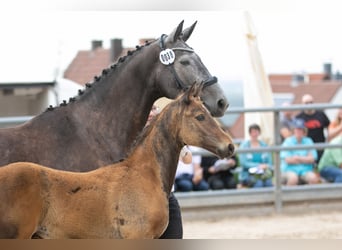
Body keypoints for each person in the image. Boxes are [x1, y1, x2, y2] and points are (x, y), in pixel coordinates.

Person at [145, 104, 183, 239]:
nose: (151, 113)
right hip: (143, 197)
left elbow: (188, 158)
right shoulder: (133, 135)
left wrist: (179, 146)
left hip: (167, 195)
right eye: (149, 109)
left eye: (154, 109)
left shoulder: (167, 133)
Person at [280, 118, 320, 186]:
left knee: (313, 178)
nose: (299, 131)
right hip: (289, 170)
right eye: (297, 129)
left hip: (305, 170)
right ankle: (289, 196)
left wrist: (297, 158)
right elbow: (288, 160)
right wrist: (305, 159)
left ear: (304, 130)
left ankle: (309, 196)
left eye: (301, 129)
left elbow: (312, 159)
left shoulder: (308, 141)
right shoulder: (288, 141)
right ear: (293, 130)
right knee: (293, 178)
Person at [296, 94, 330, 162]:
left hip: (320, 144)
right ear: (302, 104)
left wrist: (328, 139)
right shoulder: (299, 117)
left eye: (311, 102)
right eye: (306, 103)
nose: (309, 105)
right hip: (306, 146)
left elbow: (329, 127)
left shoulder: (321, 114)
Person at [238, 123, 273, 188]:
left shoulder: (264, 146)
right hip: (248, 174)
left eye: (256, 132)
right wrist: (258, 166)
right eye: (252, 132)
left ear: (259, 133)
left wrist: (265, 166)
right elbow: (243, 163)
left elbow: (270, 163)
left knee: (269, 183)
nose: (254, 134)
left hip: (263, 173)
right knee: (258, 184)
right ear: (250, 133)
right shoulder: (244, 146)